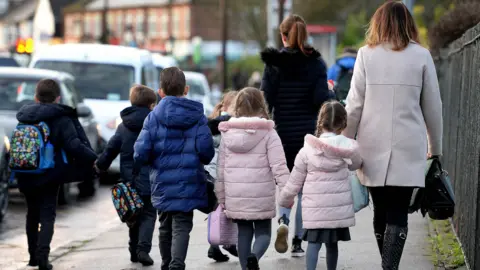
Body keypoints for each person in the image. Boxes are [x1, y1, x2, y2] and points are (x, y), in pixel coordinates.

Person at [343, 2, 443, 269]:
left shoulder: (365, 55)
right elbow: (433, 108)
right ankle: (390, 266)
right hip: (408, 146)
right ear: (407, 24)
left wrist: (346, 140)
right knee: (399, 211)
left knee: (380, 210)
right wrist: (435, 148)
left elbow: (354, 105)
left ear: (377, 23)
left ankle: (388, 265)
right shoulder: (422, 56)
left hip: (371, 144)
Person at [260, 14, 330, 257]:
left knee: (287, 186)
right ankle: (299, 241)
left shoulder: (273, 64)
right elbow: (320, 100)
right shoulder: (317, 65)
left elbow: (265, 100)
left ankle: (283, 222)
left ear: (283, 36)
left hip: (282, 134)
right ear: (304, 34)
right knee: (304, 190)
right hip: (307, 135)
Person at [133, 67, 215, 270]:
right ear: (186, 89)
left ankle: (166, 263)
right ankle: (177, 265)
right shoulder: (197, 117)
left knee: (165, 225)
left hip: (161, 180)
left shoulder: (152, 118)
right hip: (189, 181)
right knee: (182, 226)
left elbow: (140, 152)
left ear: (160, 91)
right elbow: (206, 152)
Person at [15, 79, 98, 270]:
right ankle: (43, 257)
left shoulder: (25, 116)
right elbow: (73, 145)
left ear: (36, 97)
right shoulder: (61, 117)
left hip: (26, 171)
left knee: (31, 214)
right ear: (58, 98)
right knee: (47, 215)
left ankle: (32, 257)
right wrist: (93, 158)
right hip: (49, 173)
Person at [279, 101, 362, 270]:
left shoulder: (307, 150)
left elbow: (295, 180)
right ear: (343, 123)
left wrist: (285, 199)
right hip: (336, 210)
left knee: (313, 244)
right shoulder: (348, 148)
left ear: (320, 122)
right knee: (332, 245)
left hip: (314, 210)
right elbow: (356, 164)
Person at [215, 87, 290, 270]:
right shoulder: (269, 132)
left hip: (236, 194)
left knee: (243, 233)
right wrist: (287, 192)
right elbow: (279, 166)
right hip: (261, 193)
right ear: (261, 106)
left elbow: (221, 169)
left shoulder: (228, 133)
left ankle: (245, 267)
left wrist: (221, 197)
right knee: (263, 233)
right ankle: (254, 257)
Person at [95, 85, 158, 266]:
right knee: (148, 214)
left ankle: (133, 250)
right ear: (151, 105)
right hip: (149, 178)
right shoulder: (154, 124)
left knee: (134, 215)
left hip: (129, 180)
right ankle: (143, 250)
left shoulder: (123, 127)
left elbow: (111, 149)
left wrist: (100, 166)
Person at [204, 91, 239, 262]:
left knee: (218, 210)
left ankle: (219, 244)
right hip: (220, 173)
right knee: (225, 209)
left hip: (209, 172)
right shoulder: (228, 124)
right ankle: (222, 244)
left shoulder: (212, 122)